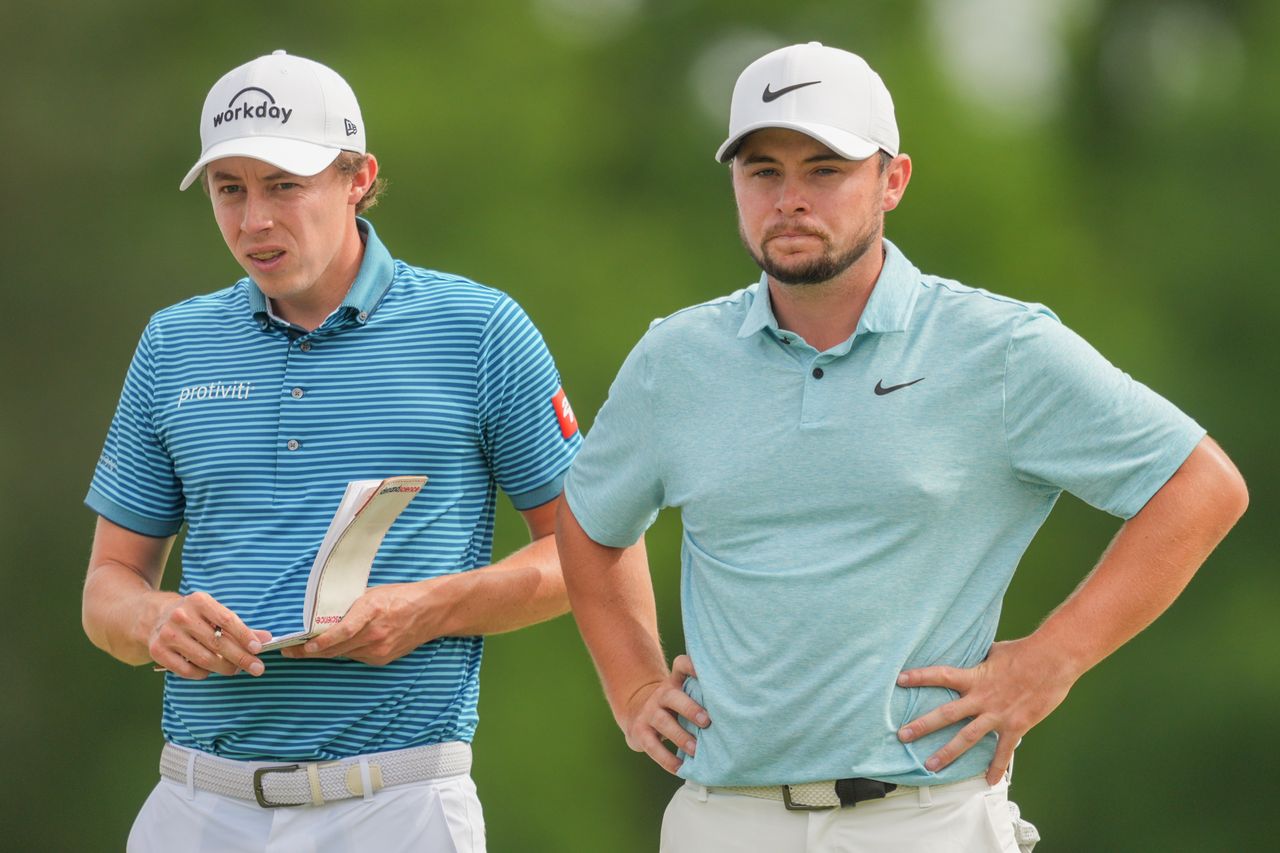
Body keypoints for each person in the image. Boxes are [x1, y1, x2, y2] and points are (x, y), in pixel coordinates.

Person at [555, 42, 1248, 852]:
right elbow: (590, 522)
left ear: (893, 180)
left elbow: (1201, 485)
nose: (789, 199)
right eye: (763, 171)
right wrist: (633, 681)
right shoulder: (675, 360)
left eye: (824, 170)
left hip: (926, 819)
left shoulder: (999, 348)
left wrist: (1050, 660)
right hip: (720, 816)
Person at [82, 50, 582, 853]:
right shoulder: (175, 342)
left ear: (357, 178)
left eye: (284, 185)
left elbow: (582, 554)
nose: (254, 222)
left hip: (399, 804)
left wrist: (427, 609)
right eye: (229, 188)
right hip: (196, 802)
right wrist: (156, 620)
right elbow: (107, 586)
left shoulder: (479, 329)